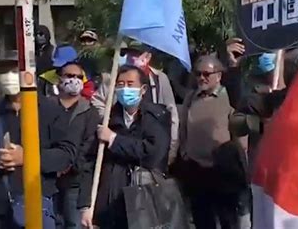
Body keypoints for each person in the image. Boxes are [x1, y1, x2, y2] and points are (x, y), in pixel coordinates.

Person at [0, 59, 80, 229]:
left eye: (15, 71)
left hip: (37, 202)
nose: (9, 77)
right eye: (4, 72)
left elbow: (66, 154)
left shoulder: (50, 110)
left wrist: (28, 158)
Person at [79, 65, 171, 229]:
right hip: (109, 200)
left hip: (142, 201)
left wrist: (114, 139)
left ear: (143, 89)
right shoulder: (107, 119)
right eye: (120, 84)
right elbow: (90, 164)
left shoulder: (155, 117)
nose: (124, 89)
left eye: (130, 84)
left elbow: (153, 152)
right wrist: (87, 205)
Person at [173, 55, 247, 229]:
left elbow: (240, 134)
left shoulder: (230, 97)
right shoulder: (191, 97)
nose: (201, 78)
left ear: (219, 76)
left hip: (222, 171)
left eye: (207, 74)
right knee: (202, 220)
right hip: (196, 172)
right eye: (198, 74)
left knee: (228, 219)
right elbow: (183, 127)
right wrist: (183, 151)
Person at [91, 41, 179, 164]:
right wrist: (110, 119)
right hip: (118, 150)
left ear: (147, 57)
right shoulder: (114, 77)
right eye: (128, 54)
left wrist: (172, 149)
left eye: (136, 54)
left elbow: (172, 113)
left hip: (148, 146)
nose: (131, 58)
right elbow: (97, 101)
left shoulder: (159, 78)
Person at [52, 61, 100, 229]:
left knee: (73, 223)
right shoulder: (47, 107)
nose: (74, 80)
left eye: (78, 77)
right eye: (69, 76)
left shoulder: (90, 112)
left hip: (76, 181)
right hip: (48, 180)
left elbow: (89, 145)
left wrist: (67, 166)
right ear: (59, 79)